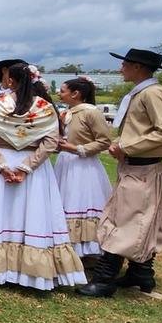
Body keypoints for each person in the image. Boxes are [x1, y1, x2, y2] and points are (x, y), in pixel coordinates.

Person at [0, 63, 86, 290]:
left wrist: (1, 164)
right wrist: (26, 167)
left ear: (10, 81)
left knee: (1, 213)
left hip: (2, 162)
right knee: (33, 215)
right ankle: (32, 273)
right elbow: (51, 141)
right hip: (34, 166)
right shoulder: (44, 107)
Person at [79, 49, 162, 298]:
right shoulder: (143, 92)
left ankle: (105, 279)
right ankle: (141, 272)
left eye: (125, 64)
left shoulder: (153, 93)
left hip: (142, 167)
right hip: (137, 166)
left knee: (123, 219)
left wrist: (125, 146)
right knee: (140, 217)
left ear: (137, 67)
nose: (121, 69)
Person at [54, 76, 113, 258]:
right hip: (65, 163)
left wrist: (76, 148)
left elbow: (104, 141)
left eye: (62, 91)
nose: (59, 94)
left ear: (75, 93)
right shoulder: (69, 112)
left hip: (83, 166)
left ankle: (86, 249)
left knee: (79, 200)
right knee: (64, 200)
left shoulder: (91, 112)